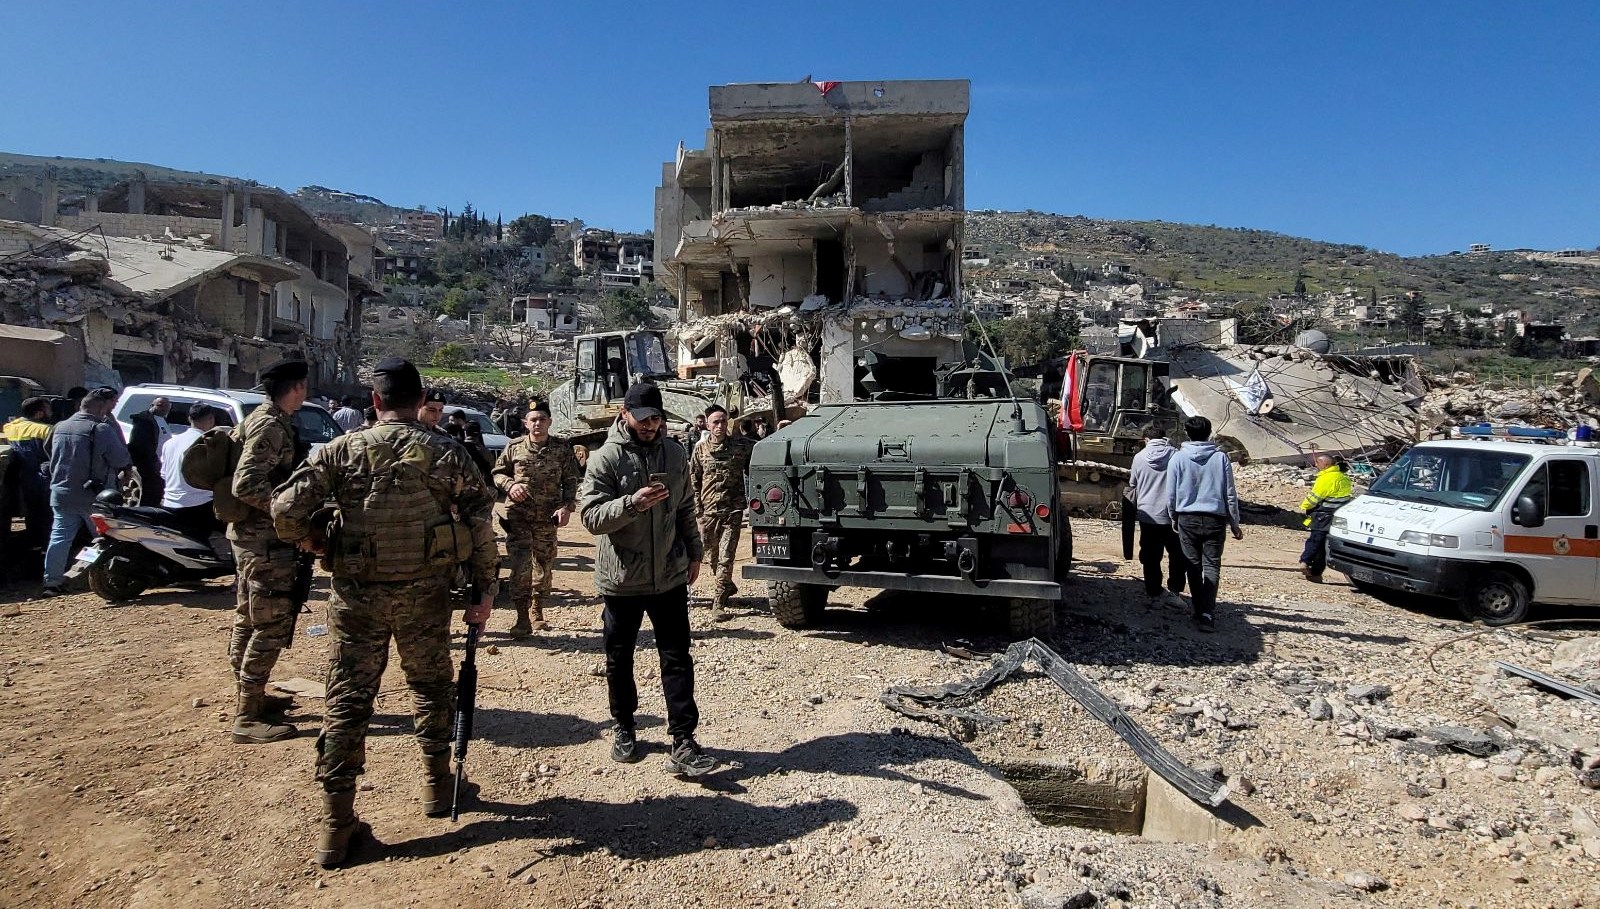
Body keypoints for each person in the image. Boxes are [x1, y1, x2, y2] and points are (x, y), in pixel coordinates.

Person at [272, 357, 498, 869]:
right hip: (426, 596)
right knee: (431, 689)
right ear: (420, 402)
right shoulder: (447, 452)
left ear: (374, 402)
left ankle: (336, 827)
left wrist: (312, 539)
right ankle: (438, 789)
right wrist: (486, 590)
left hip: (357, 599)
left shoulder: (340, 450)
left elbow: (284, 510)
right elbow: (482, 522)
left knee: (348, 702)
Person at [579, 381, 716, 776]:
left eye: (656, 418)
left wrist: (695, 551)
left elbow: (686, 507)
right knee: (619, 658)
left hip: (669, 576)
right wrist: (631, 504)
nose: (651, 425)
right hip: (623, 579)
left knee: (676, 657)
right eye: (643, 419)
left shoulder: (675, 453)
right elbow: (590, 518)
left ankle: (684, 740)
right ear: (625, 414)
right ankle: (624, 726)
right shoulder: (605, 458)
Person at [227, 357, 310, 745]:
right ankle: (247, 715)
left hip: (251, 536)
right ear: (295, 388)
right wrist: (287, 510)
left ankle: (252, 698)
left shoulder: (261, 417)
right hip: (263, 539)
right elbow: (245, 485)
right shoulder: (270, 424)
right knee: (270, 623)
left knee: (249, 616)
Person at [492, 401, 581, 636]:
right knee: (520, 565)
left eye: (542, 419)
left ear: (550, 422)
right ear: (525, 423)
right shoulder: (514, 447)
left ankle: (537, 610)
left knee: (544, 564)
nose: (537, 424)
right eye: (533, 419)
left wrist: (567, 507)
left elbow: (571, 481)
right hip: (518, 517)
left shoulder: (561, 449)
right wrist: (510, 486)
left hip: (547, 518)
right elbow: (498, 474)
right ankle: (521, 617)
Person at [41, 387, 131, 595]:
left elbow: (48, 450)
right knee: (107, 538)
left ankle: (52, 582)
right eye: (111, 406)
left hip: (61, 491)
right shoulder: (100, 429)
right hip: (95, 495)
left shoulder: (60, 426)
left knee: (60, 537)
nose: (112, 410)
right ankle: (109, 577)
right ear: (101, 406)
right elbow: (120, 459)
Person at [1167, 416, 1242, 633]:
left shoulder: (1178, 458)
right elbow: (1230, 493)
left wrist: (1174, 517)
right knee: (1212, 565)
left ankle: (1197, 607)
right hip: (1215, 519)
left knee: (1192, 565)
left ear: (1187, 433)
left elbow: (1171, 494)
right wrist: (1234, 521)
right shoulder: (1220, 458)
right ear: (1208, 433)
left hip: (1186, 518)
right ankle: (1206, 612)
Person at [688, 405, 754, 621]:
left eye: (723, 421)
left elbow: (763, 451)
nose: (720, 426)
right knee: (712, 556)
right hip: (708, 513)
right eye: (715, 422)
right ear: (707, 424)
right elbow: (694, 481)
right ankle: (726, 586)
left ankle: (718, 603)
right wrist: (698, 512)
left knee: (726, 557)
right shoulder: (700, 450)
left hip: (732, 512)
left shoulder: (740, 446)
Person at [1124, 424, 1186, 606]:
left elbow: (1133, 483)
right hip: (1172, 515)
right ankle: (1174, 590)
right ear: (1164, 437)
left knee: (1150, 554)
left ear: (1146, 439)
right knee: (1177, 553)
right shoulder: (1176, 455)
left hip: (1147, 514)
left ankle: (1153, 590)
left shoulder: (1139, 457)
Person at [2, 396, 54, 572]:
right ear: (40, 413)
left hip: (21, 480)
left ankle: (31, 555)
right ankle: (44, 560)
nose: (50, 413)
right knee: (47, 519)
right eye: (48, 409)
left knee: (31, 519)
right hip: (43, 479)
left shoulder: (10, 427)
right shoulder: (46, 430)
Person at [159, 403, 223, 541]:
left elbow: (164, 474)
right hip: (198, 507)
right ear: (211, 419)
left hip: (169, 504)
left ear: (189, 419)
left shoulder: (170, 443)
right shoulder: (208, 443)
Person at [1298, 454, 1353, 583]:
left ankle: (1305, 561)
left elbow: (1314, 498)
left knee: (1315, 540)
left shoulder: (1326, 479)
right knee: (1324, 546)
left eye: (1318, 462)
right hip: (1337, 516)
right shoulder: (1343, 477)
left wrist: (1304, 506)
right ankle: (1316, 573)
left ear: (1326, 465)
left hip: (1323, 515)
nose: (1316, 465)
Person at [127, 396, 172, 506]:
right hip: (148, 465)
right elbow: (141, 445)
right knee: (149, 493)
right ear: (152, 405)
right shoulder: (144, 421)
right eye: (160, 405)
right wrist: (152, 461)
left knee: (156, 492)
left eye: (167, 406)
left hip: (160, 464)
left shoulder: (161, 420)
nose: (164, 408)